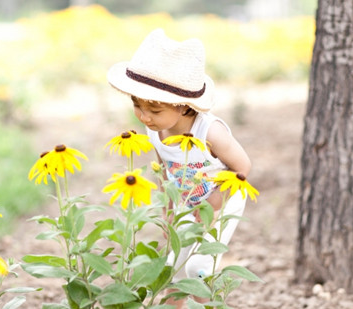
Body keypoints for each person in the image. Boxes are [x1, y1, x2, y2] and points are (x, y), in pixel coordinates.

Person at [107, 28, 252, 307]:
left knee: (199, 266)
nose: (144, 117)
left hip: (223, 197)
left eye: (155, 111)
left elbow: (242, 167)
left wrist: (214, 203)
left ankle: (204, 304)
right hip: (185, 197)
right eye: (136, 105)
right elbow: (164, 171)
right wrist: (168, 209)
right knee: (174, 262)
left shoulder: (210, 132)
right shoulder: (154, 129)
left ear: (185, 107)